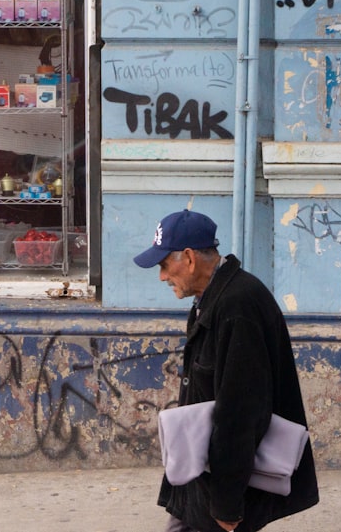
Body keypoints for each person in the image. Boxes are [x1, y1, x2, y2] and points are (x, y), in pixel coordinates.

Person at [134, 209, 319, 532]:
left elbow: (241, 412)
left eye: (165, 265)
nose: (163, 276)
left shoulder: (237, 306)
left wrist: (226, 503)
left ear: (189, 258)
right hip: (205, 473)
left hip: (224, 483)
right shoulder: (212, 299)